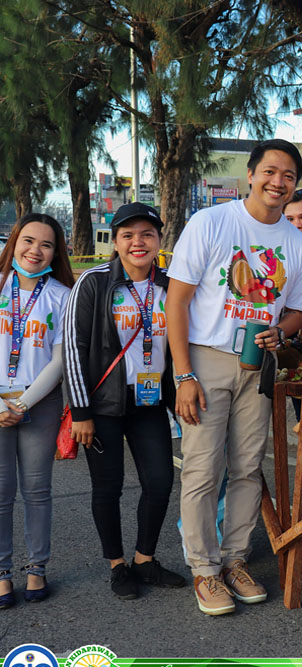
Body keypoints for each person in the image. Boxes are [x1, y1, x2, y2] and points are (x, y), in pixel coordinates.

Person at [166, 138, 302, 616]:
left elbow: (296, 311)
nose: (278, 182)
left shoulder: (295, 243)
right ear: (250, 175)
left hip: (258, 363)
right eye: (270, 172)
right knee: (203, 468)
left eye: (288, 176)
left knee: (249, 466)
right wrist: (183, 374)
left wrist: (279, 331)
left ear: (295, 185)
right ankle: (204, 570)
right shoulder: (212, 222)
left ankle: (235, 560)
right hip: (206, 359)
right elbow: (177, 302)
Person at [64, 202, 185, 600]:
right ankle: (118, 566)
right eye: (128, 235)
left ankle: (145, 559)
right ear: (114, 242)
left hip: (149, 403)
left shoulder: (170, 284)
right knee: (107, 486)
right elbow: (74, 348)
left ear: (159, 241)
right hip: (103, 406)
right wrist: (81, 412)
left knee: (161, 481)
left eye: (147, 234)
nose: (138, 242)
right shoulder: (95, 282)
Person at [0, 213, 73, 607]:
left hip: (39, 404)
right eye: (28, 241)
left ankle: (37, 569)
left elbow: (60, 360)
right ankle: (2, 572)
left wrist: (23, 402)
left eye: (46, 244)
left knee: (37, 490)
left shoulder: (62, 295)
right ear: (14, 242)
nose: (35, 250)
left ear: (55, 252)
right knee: (0, 492)